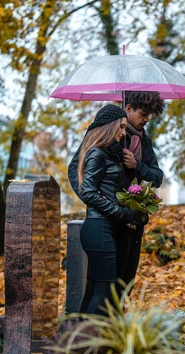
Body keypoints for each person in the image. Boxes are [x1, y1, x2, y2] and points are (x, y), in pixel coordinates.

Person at [68, 92, 165, 298]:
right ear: (128, 109)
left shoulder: (144, 143)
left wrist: (137, 166)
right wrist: (96, 202)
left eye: (150, 115)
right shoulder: (105, 134)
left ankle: (115, 327)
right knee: (103, 288)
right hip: (107, 221)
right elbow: (75, 169)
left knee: (124, 284)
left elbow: (157, 177)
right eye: (143, 113)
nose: (147, 119)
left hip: (132, 222)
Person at [69, 104, 144, 315]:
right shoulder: (96, 154)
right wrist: (124, 214)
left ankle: (78, 343)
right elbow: (88, 193)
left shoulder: (110, 154)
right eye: (120, 127)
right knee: (104, 295)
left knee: (94, 291)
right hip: (98, 229)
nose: (123, 132)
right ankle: (92, 345)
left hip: (103, 229)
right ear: (109, 127)